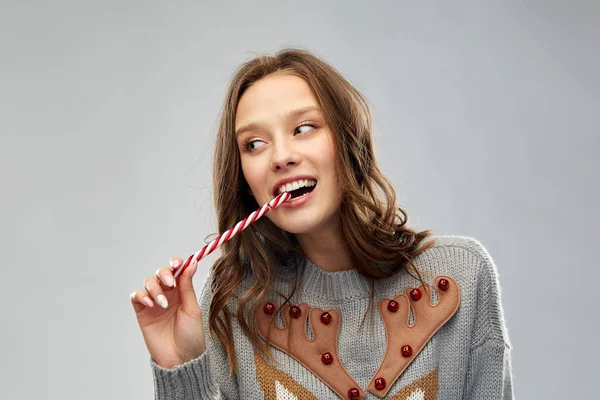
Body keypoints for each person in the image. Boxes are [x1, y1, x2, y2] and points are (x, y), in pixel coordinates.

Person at [130, 48, 513, 399]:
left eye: (303, 128)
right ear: (244, 176)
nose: (281, 157)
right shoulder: (234, 301)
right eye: (254, 144)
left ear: (347, 140)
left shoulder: (461, 273)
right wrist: (181, 366)